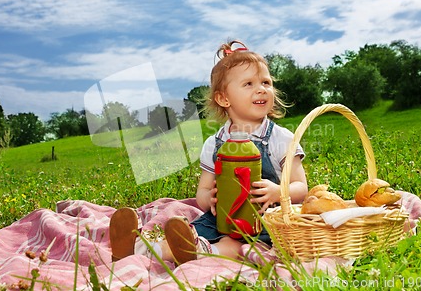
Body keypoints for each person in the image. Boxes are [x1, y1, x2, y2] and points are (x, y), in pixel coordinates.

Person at [110, 40, 308, 264]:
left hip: (268, 221)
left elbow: (301, 188)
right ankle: (137, 248)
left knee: (236, 247)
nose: (261, 89)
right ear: (224, 99)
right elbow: (202, 192)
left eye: (266, 82)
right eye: (249, 84)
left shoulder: (281, 138)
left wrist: (277, 190)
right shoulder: (215, 143)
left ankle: (194, 254)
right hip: (222, 218)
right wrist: (210, 199)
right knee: (191, 231)